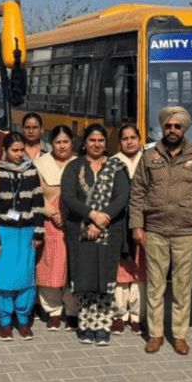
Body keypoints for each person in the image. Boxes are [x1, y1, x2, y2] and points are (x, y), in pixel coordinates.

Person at [130, 107, 192, 354]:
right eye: (168, 126)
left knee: (181, 285)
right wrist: (137, 225)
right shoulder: (149, 156)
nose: (173, 130)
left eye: (177, 126)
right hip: (154, 229)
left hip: (186, 232)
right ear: (163, 128)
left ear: (184, 129)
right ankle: (155, 334)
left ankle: (179, 334)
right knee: (156, 285)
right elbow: (137, 192)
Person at [62, 124, 131, 345]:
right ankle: (85, 324)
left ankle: (102, 326)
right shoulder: (74, 167)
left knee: (105, 278)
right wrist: (92, 215)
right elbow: (69, 197)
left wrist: (101, 221)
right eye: (92, 140)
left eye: (101, 140)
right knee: (84, 278)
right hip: (80, 231)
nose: (97, 144)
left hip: (108, 232)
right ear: (85, 142)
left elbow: (122, 197)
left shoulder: (116, 167)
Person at [0, 132, 46, 340]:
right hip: (4, 232)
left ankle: (23, 320)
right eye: (15, 150)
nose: (19, 154)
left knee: (25, 279)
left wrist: (39, 232)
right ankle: (4, 322)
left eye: (22, 150)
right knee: (2, 280)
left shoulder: (31, 170)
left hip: (27, 232)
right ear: (5, 151)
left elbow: (38, 204)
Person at [35, 125, 78, 329]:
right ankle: (52, 310)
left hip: (73, 222)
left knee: (71, 267)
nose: (62, 146)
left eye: (66, 142)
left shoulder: (80, 163)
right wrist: (52, 212)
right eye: (58, 142)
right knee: (49, 266)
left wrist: (66, 214)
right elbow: (36, 193)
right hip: (49, 222)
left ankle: (72, 311)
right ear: (51, 144)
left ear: (72, 143)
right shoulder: (40, 164)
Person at [112, 123, 145, 334]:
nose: (129, 142)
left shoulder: (150, 160)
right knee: (121, 272)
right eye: (125, 138)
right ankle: (119, 315)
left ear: (140, 139)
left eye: (133, 137)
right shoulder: (113, 163)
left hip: (144, 223)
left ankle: (136, 315)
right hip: (120, 223)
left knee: (141, 272)